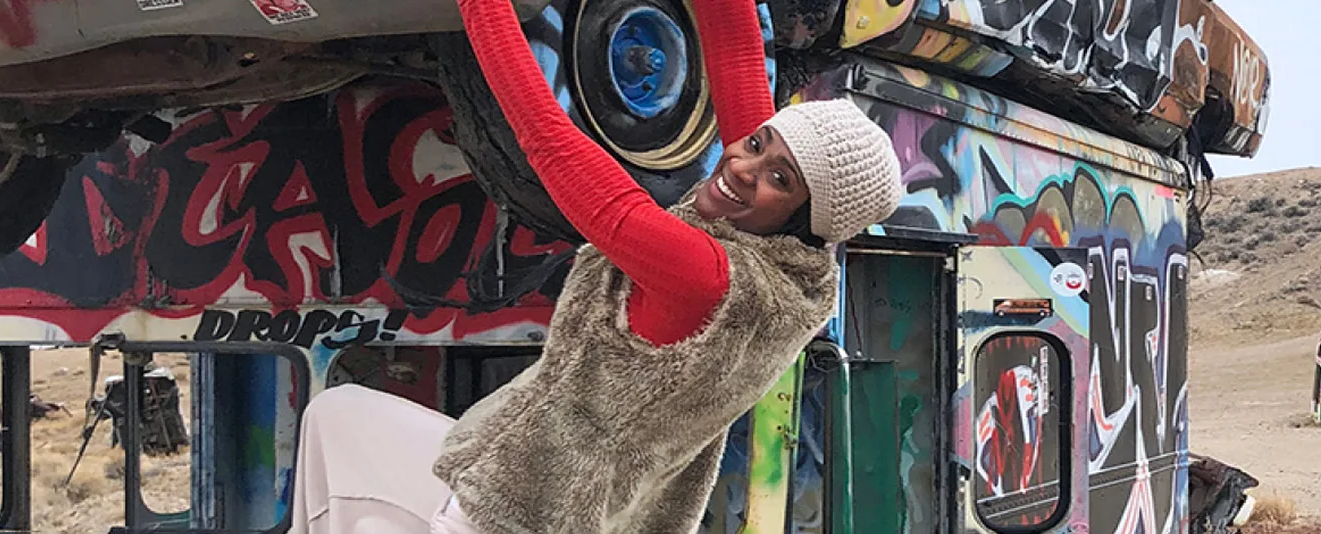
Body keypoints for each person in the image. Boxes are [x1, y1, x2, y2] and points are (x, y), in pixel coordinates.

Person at [287, 0, 904, 528]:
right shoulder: (791, 253)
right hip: (554, 492)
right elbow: (739, 53)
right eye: (757, 141)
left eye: (778, 176)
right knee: (337, 417)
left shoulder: (708, 279)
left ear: (806, 216)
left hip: (516, 516)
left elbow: (548, 141)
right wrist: (768, 152)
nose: (742, 164)